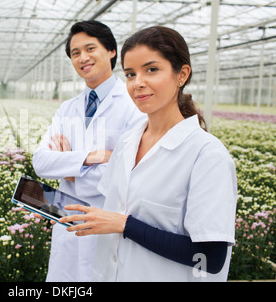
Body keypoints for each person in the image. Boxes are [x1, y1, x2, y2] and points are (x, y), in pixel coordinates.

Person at [58, 26, 238, 282]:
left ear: (182, 74)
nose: (138, 82)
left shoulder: (207, 155)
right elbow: (109, 205)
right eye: (130, 74)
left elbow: (211, 257)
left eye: (151, 70)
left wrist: (125, 225)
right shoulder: (127, 143)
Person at [32, 21, 146, 282]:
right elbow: (41, 162)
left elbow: (131, 175)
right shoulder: (67, 109)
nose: (83, 57)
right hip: (68, 225)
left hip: (109, 225)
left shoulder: (133, 106)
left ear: (111, 51)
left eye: (90, 48)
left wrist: (70, 171)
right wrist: (92, 158)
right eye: (75, 53)